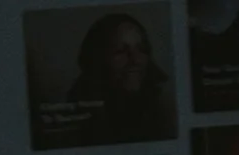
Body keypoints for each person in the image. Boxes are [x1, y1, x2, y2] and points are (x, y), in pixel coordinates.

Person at [59, 11, 177, 144]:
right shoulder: (76, 117)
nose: (136, 60)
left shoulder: (163, 108)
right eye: (120, 51)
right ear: (97, 59)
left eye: (141, 49)